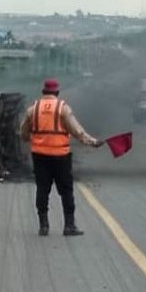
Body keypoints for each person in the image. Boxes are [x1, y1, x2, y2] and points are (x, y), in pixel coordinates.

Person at [20, 78, 106, 236]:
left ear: (43, 92)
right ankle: (69, 226)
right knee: (66, 191)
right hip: (60, 156)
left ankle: (43, 226)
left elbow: (23, 132)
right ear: (57, 92)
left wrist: (30, 139)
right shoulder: (62, 108)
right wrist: (92, 142)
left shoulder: (33, 108)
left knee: (42, 189)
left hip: (39, 156)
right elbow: (77, 131)